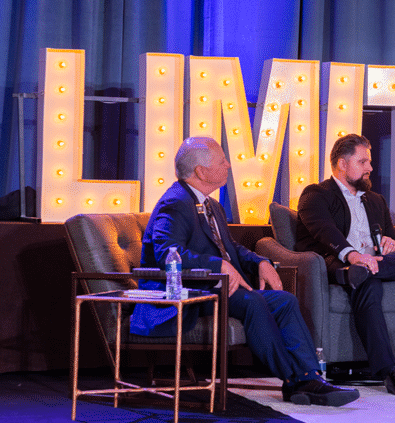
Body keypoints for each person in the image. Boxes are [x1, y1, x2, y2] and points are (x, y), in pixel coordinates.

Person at [134, 137, 359, 407]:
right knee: (252, 302)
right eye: (221, 161)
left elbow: (231, 248)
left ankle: (309, 377)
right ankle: (293, 379)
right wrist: (217, 265)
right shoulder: (176, 203)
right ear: (201, 172)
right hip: (186, 294)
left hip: (214, 289)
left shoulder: (211, 205)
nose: (228, 165)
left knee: (285, 301)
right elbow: (167, 253)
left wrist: (260, 262)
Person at [293, 134, 395, 398]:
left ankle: (369, 270)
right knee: (365, 280)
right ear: (342, 164)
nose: (370, 168)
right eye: (363, 161)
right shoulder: (316, 195)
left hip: (371, 266)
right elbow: (325, 232)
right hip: (340, 265)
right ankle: (390, 372)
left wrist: (392, 245)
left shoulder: (375, 200)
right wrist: (353, 256)